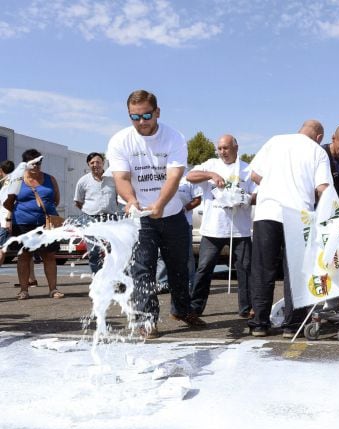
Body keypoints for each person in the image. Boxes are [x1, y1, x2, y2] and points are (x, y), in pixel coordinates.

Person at [106, 89, 204, 339]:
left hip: (170, 213)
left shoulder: (174, 137)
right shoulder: (120, 140)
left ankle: (182, 310)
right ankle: (146, 319)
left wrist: (160, 204)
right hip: (140, 216)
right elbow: (121, 177)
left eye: (146, 115)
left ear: (157, 112)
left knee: (179, 267)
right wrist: (131, 200)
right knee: (142, 269)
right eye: (135, 117)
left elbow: (174, 176)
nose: (141, 122)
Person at [247, 120, 332, 337]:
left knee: (262, 269)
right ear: (320, 137)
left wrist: (276, 184)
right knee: (295, 272)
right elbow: (323, 187)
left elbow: (254, 174)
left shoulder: (276, 141)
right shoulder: (318, 151)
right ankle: (292, 325)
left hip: (268, 212)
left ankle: (259, 323)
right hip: (299, 215)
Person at [187, 134, 255, 318]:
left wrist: (245, 198)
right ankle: (194, 308)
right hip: (213, 228)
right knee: (204, 268)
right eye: (220, 148)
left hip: (240, 229)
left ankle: (246, 308)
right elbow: (190, 175)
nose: (223, 152)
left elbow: (256, 193)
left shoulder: (247, 169)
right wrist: (211, 175)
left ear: (236, 147)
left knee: (245, 269)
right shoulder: (211, 164)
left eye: (226, 148)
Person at [3, 149, 64, 300]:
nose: (36, 166)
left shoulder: (50, 179)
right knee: (24, 256)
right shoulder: (16, 180)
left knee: (49, 256)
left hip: (46, 224)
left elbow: (56, 200)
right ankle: (24, 290)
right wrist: (8, 220)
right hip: (23, 223)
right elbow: (8, 202)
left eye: (39, 163)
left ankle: (53, 289)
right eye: (33, 163)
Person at [73, 152, 118, 274]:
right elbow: (78, 201)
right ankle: (98, 278)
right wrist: (90, 210)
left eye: (98, 162)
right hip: (90, 219)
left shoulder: (113, 180)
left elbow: (119, 199)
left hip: (110, 219)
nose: (95, 165)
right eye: (92, 163)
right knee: (94, 252)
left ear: (103, 163)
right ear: (88, 164)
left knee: (112, 250)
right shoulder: (83, 181)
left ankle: (113, 278)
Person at [1, 160, 16, 266]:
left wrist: (8, 219)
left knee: (1, 249)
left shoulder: (10, 182)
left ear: (1, 170)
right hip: (4, 220)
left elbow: (11, 202)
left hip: (5, 221)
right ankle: (30, 279)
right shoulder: (8, 182)